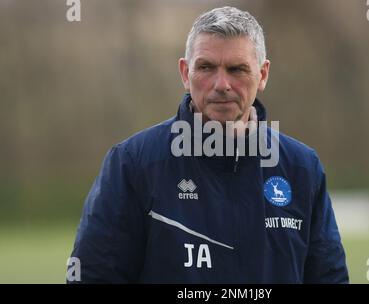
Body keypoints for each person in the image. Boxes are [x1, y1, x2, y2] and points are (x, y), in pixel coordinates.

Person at [67, 6, 349, 284]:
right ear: (184, 73)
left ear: (262, 75)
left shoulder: (301, 168)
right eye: (206, 67)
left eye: (237, 69)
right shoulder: (133, 164)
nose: (221, 84)